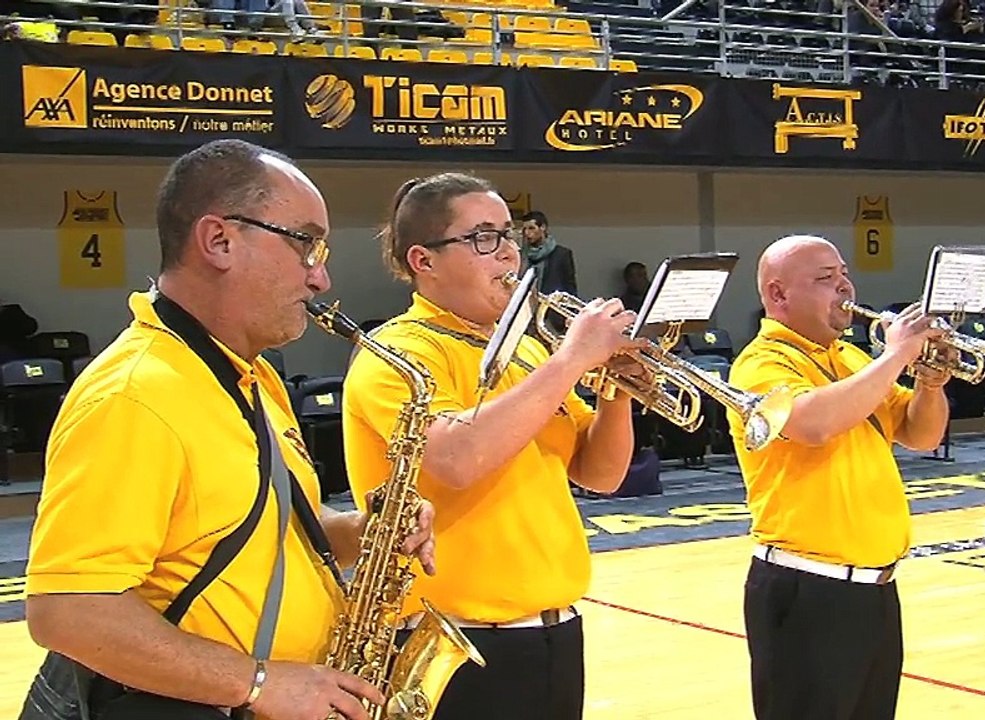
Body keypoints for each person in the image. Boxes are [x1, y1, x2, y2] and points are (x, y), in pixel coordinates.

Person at [19, 139, 437, 720]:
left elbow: (268, 529)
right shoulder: (136, 394)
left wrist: (368, 530)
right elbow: (68, 609)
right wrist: (262, 684)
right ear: (219, 241)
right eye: (307, 245)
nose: (321, 278)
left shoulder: (249, 375)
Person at [341, 173, 641, 720]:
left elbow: (601, 475)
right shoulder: (398, 353)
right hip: (455, 642)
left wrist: (618, 389)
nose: (508, 253)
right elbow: (457, 460)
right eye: (483, 238)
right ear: (422, 260)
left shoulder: (528, 353)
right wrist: (572, 360)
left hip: (554, 629)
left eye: (509, 234)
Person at [726, 234, 953, 720]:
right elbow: (812, 424)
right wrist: (897, 358)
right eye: (825, 279)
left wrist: (929, 385)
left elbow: (921, 434)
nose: (844, 287)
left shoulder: (850, 359)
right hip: (807, 588)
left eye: (844, 273)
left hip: (873, 588)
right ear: (778, 294)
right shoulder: (759, 363)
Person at [520, 210, 577, 297]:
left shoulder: (562, 255)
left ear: (542, 227)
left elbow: (570, 288)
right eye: (524, 229)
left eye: (531, 228)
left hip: (551, 306)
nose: (527, 233)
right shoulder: (521, 255)